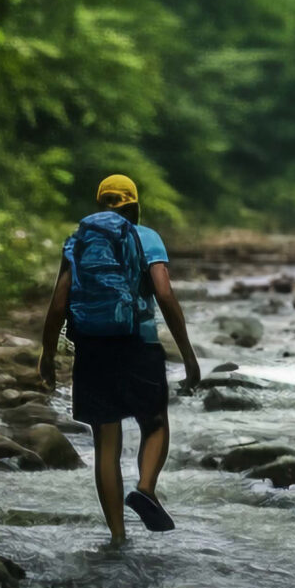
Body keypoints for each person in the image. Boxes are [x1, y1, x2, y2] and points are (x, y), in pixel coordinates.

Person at [38, 174, 201, 543]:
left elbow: (59, 303)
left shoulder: (78, 239)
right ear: (134, 204)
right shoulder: (146, 237)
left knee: (105, 445)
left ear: (100, 205)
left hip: (93, 348)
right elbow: (164, 293)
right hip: (137, 343)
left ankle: (117, 537)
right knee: (155, 421)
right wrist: (188, 355)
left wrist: (46, 355)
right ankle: (144, 488)